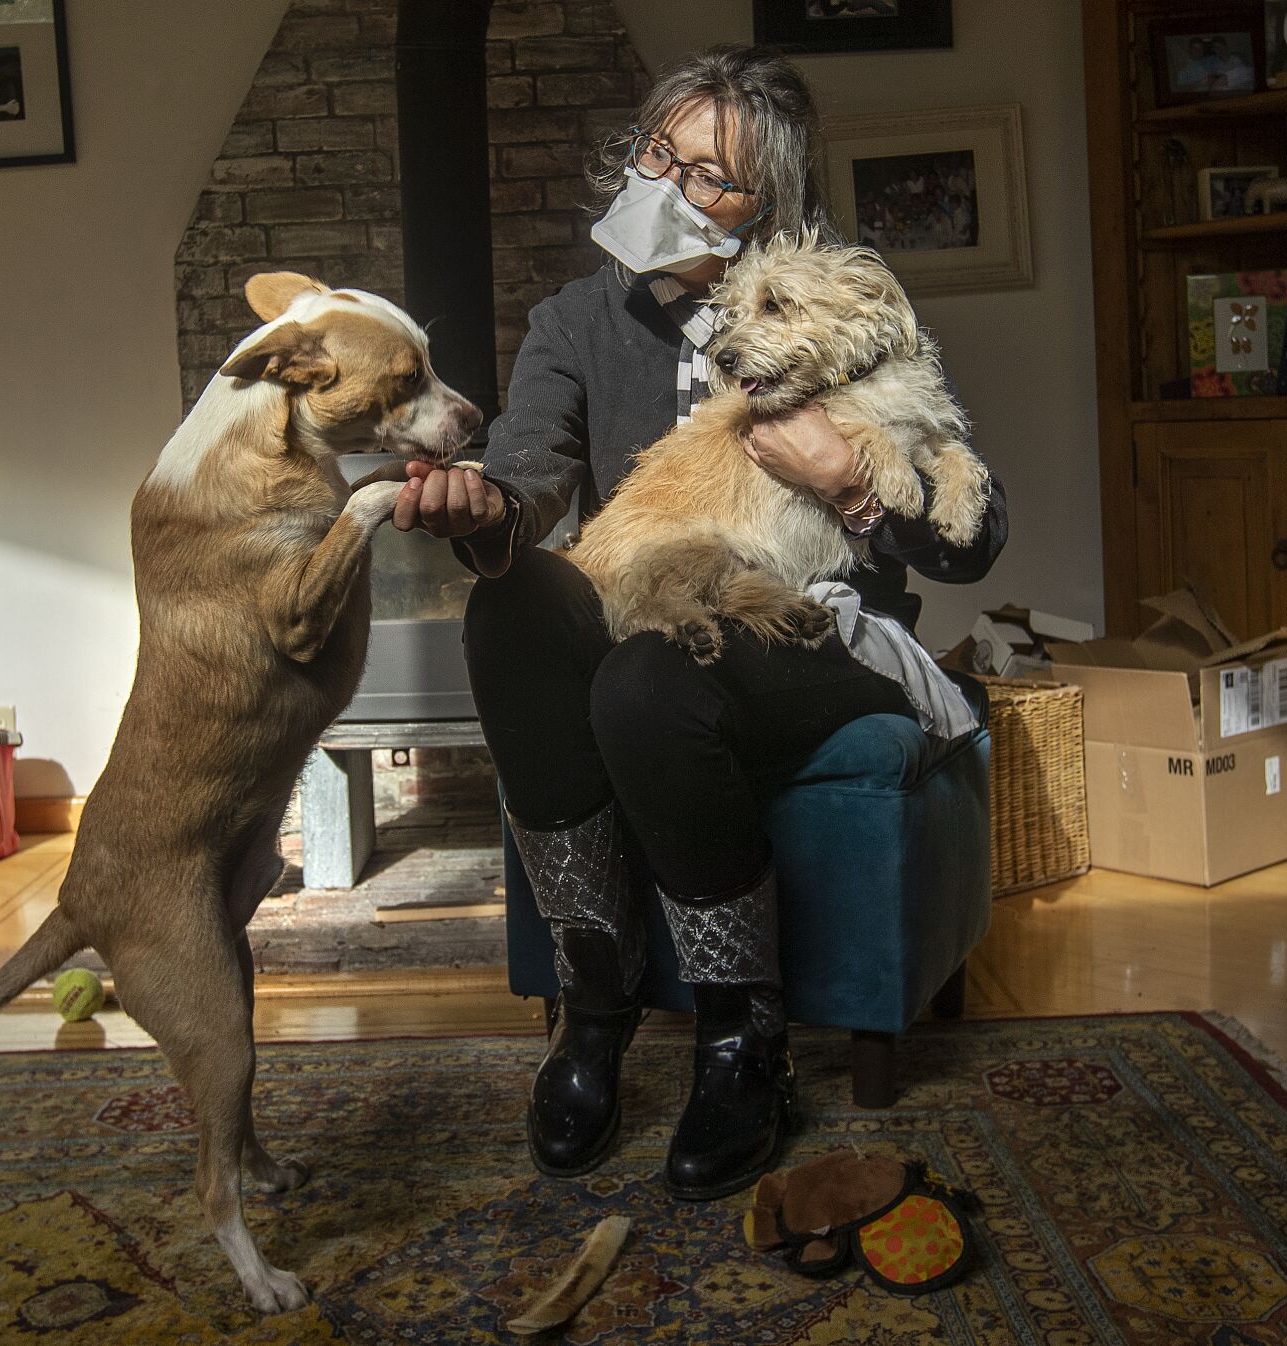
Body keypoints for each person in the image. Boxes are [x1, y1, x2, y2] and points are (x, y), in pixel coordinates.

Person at [393, 45, 1007, 1200]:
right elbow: (529, 485)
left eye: (708, 175)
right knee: (514, 604)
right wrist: (482, 509)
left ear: (766, 202)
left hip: (816, 630)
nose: (664, 186)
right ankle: (595, 1000)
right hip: (651, 592)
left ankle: (741, 1037)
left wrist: (850, 483)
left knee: (644, 680)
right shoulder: (576, 319)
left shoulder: (831, 304)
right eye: (653, 154)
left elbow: (970, 540)